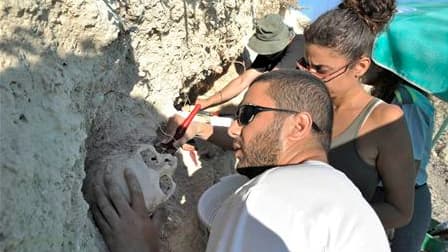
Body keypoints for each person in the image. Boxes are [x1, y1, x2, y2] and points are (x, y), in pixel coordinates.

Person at [92, 70, 391, 252]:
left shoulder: (267, 198)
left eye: (247, 116)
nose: (234, 129)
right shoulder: (341, 195)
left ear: (299, 125)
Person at [298, 0, 415, 231]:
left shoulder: (384, 121)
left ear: (360, 67)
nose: (310, 76)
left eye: (321, 70)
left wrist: (324, 219)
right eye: (305, 65)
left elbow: (400, 211)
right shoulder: (302, 102)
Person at [365, 64, 434, 252]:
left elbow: (407, 168)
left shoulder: (407, 103)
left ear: (381, 67)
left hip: (399, 198)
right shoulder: (395, 97)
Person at [195, 14, 305, 110]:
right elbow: (243, 80)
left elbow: (271, 82)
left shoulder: (300, 45)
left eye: (271, 47)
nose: (268, 51)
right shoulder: (271, 53)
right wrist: (207, 102)